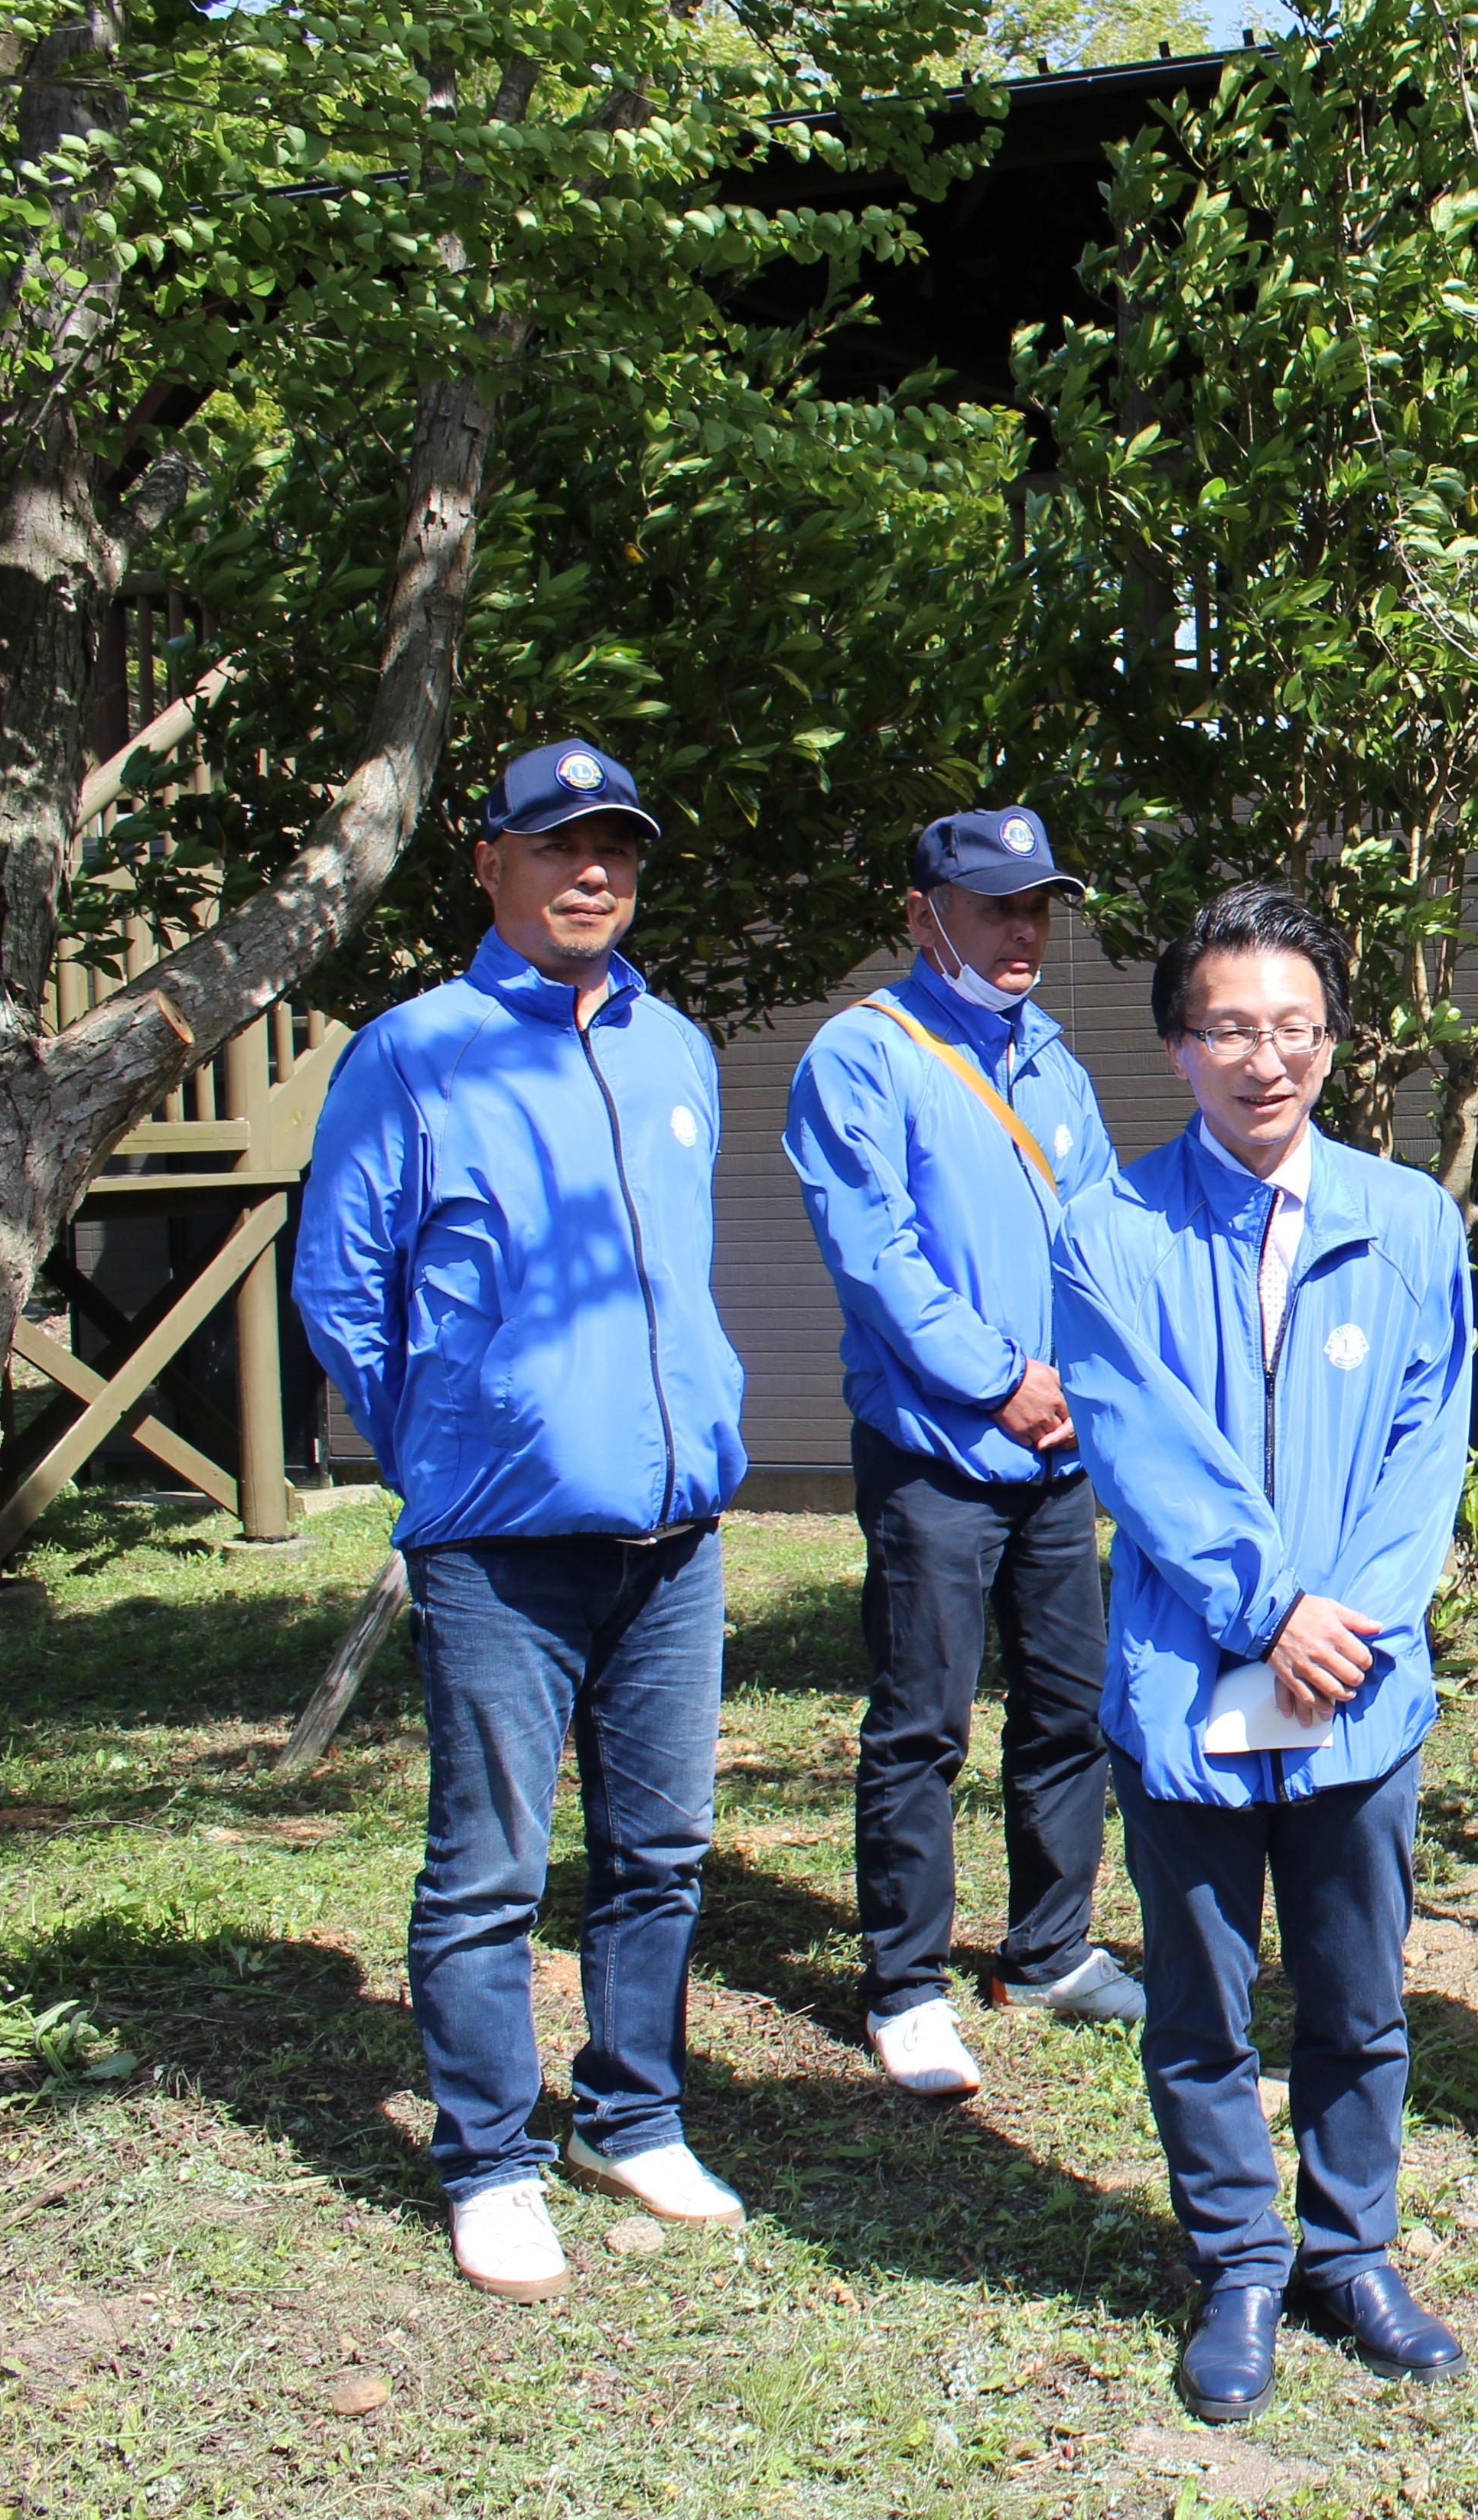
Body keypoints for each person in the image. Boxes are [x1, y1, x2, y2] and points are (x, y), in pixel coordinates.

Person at [292, 737, 752, 2303]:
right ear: (487, 863)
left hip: (673, 1535)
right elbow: (343, 1288)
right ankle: (488, 2156)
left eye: (616, 845)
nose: (592, 871)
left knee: (661, 1848)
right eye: (557, 846)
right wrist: (452, 1443)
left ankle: (631, 2114)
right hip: (500, 1541)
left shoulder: (676, 1051)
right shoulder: (411, 1053)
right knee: (489, 1864)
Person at [1050, 884, 1476, 2421]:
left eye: (1294, 1026)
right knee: (1202, 2003)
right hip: (1190, 1678)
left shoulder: (1411, 1220)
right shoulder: (1111, 1229)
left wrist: (1347, 1619)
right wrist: (1267, 1609)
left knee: (1360, 1996)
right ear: (1177, 1046)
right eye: (1230, 1026)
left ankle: (1350, 2249)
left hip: (1360, 1686)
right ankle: (1236, 2260)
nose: (1265, 1056)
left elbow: (1429, 1446)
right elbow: (1137, 1443)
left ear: (1333, 1043)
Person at [787, 806, 1139, 2104]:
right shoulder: (860, 1057)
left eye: (1037, 905)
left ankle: (1047, 1950)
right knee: (923, 1721)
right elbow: (878, 1257)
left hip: (1056, 1453)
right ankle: (904, 1984)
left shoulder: (1053, 1057)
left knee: (1068, 1709)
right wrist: (1000, 1381)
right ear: (923, 910)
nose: (1022, 930)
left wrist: (1082, 1388)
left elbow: (1097, 1233)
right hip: (937, 1447)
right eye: (995, 906)